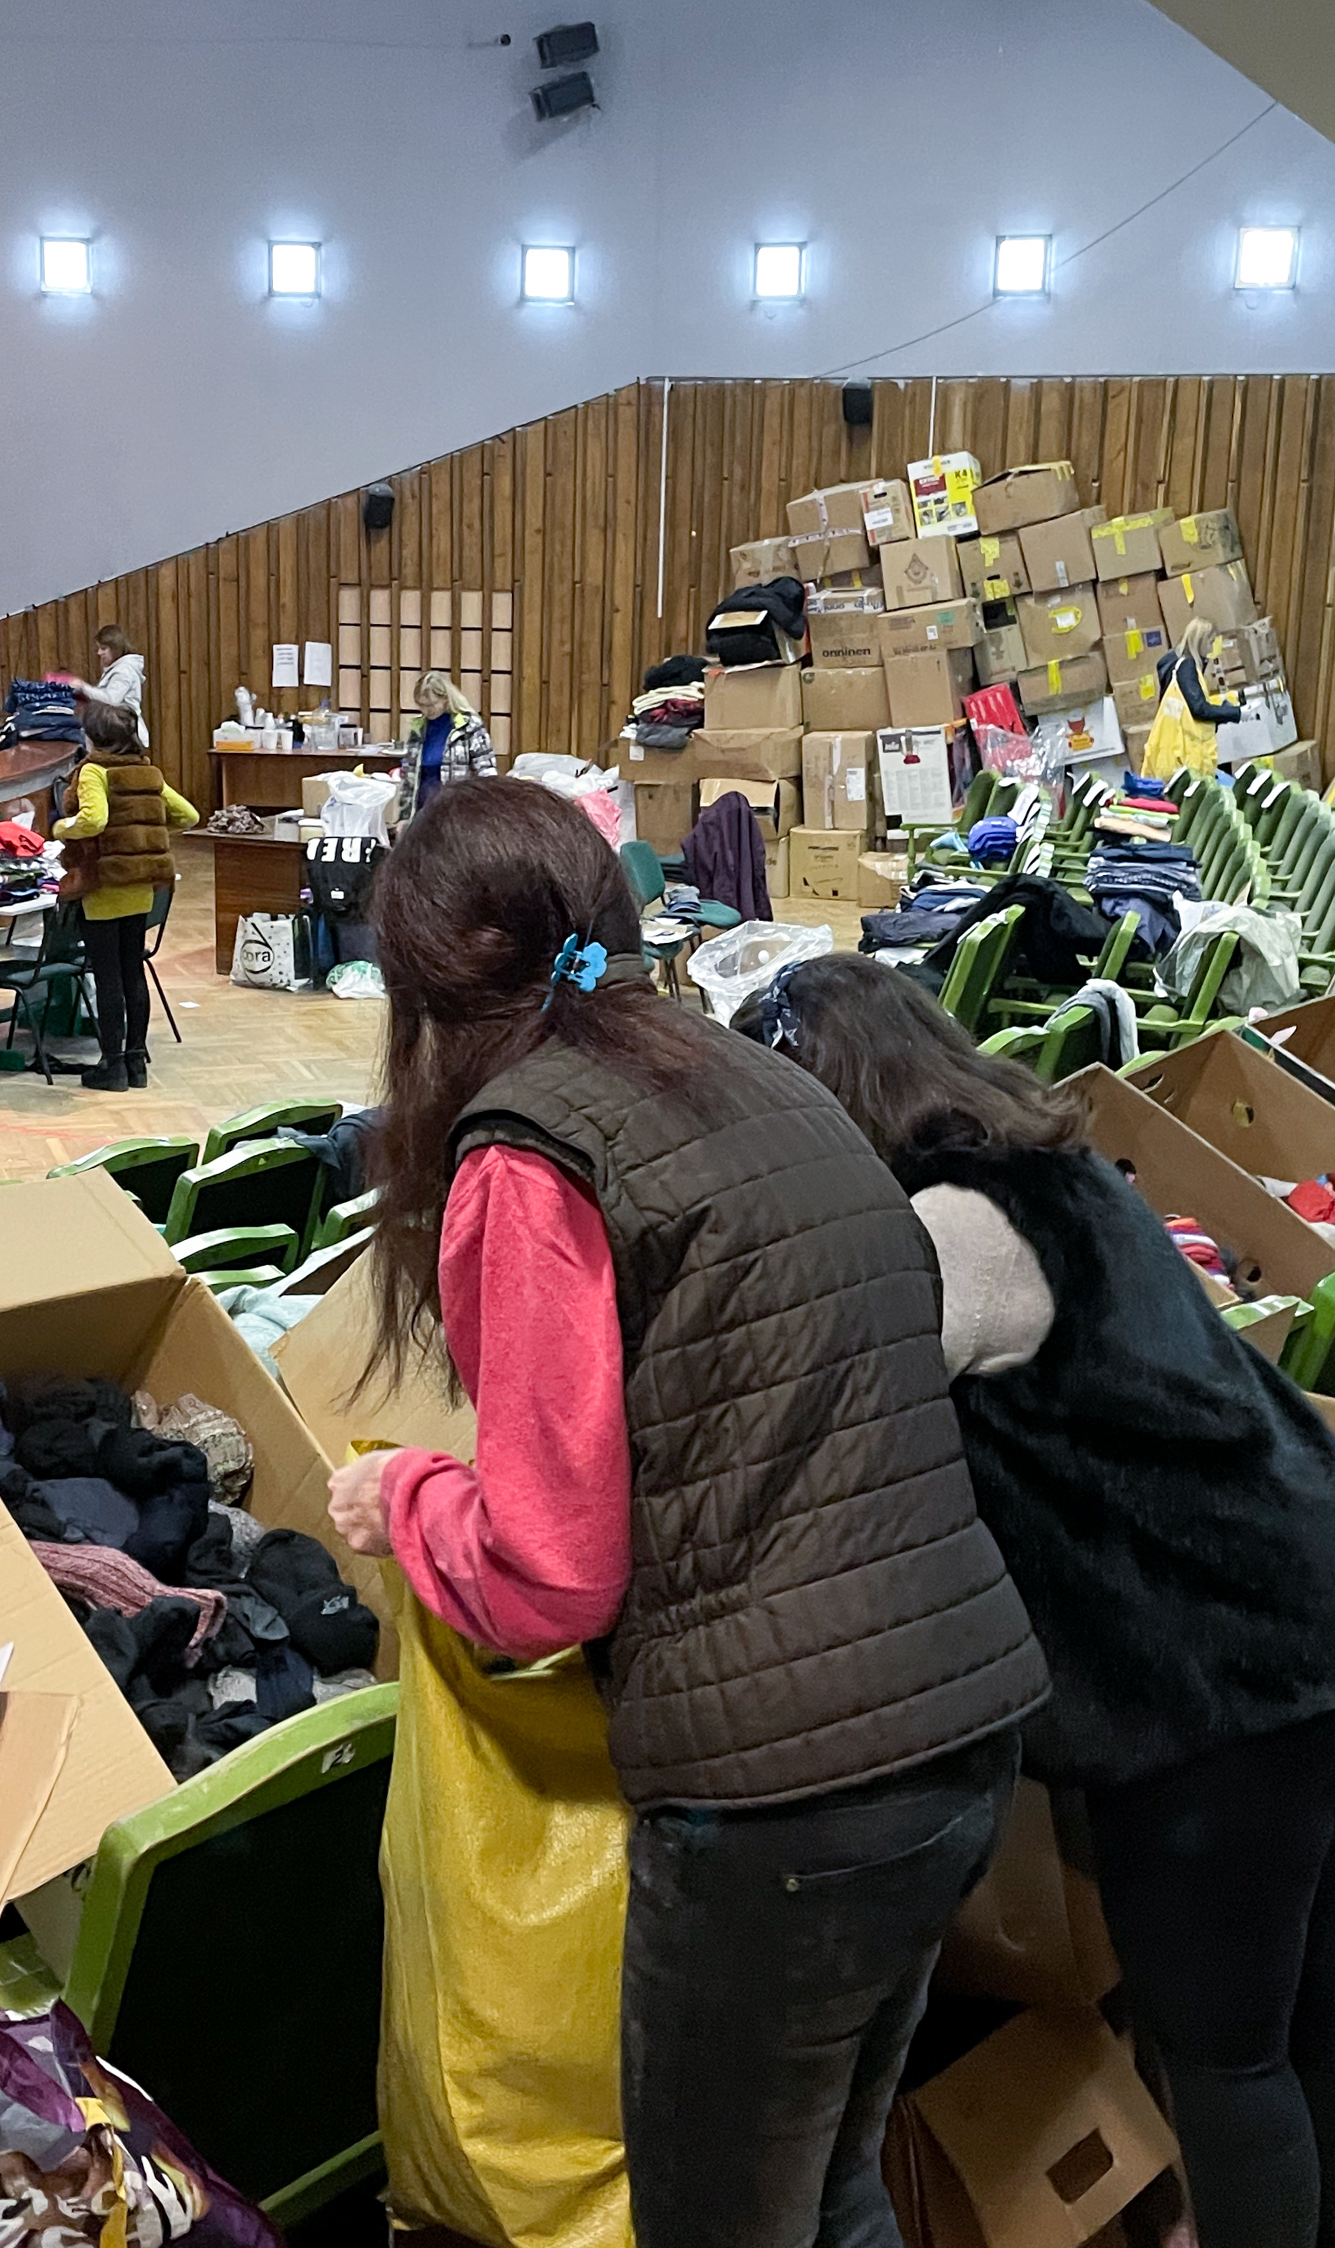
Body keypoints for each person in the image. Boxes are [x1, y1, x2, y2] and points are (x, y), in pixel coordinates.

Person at [320, 779, 1047, 2248]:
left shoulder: (528, 1152)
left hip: (785, 1800)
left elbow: (548, 1575)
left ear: (420, 987)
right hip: (957, 1727)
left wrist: (402, 1496)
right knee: (834, 2189)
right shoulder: (745, 1077)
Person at [738, 952, 1335, 2248]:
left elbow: (816, 1406)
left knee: (1221, 2044)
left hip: (1223, 1687)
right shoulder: (1044, 1170)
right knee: (1327, 1963)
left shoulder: (944, 1234)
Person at [53, 694, 197, 1091]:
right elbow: (188, 815)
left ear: (94, 739)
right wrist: (145, 837)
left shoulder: (96, 772)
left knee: (108, 977)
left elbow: (93, 820)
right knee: (133, 971)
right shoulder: (147, 773)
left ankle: (111, 1065)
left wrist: (59, 830)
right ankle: (136, 1062)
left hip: (105, 885)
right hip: (140, 888)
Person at [1139, 617, 1247, 780]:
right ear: (1201, 641)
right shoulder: (1187, 667)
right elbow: (1198, 709)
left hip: (1170, 747)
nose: (1211, 648)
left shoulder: (1173, 663)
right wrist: (1235, 713)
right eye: (1210, 642)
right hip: (1184, 753)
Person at [389, 670, 497, 828]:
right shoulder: (419, 729)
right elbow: (409, 777)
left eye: (431, 705)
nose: (426, 711)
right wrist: (404, 816)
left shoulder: (468, 726)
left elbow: (486, 772)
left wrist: (485, 812)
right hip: (423, 810)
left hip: (458, 812)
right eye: (422, 706)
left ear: (446, 699)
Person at [83, 623, 149, 749]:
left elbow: (111, 699)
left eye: (103, 648)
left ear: (115, 648)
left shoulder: (124, 671)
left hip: (126, 738)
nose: (99, 653)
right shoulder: (117, 669)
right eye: (98, 648)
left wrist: (83, 687)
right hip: (119, 736)